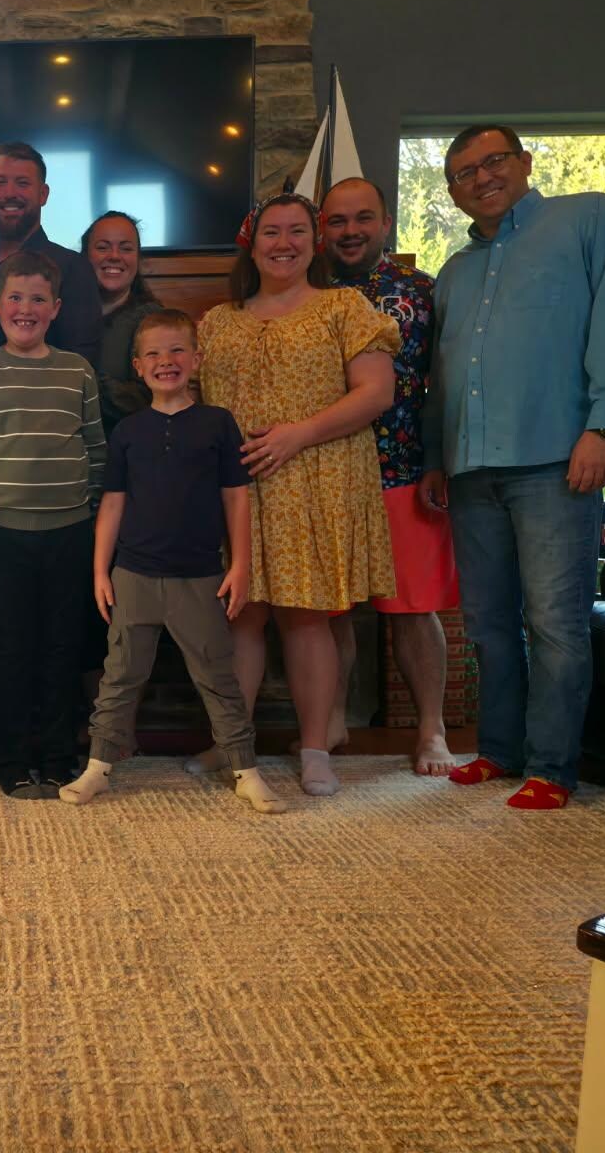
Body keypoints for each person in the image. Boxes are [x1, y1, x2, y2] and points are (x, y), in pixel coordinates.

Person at [422, 124, 605, 810]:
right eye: (463, 173)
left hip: (556, 460)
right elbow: (441, 376)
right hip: (469, 470)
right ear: (454, 192)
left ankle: (552, 767)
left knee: (554, 621)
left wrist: (603, 427)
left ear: (523, 161)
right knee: (487, 623)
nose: (481, 178)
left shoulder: (589, 219)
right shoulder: (454, 273)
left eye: (493, 161)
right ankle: (500, 749)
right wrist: (435, 458)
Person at [197, 193, 398, 799]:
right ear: (251, 243)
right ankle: (233, 744)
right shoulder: (217, 321)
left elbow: (376, 393)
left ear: (314, 243)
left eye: (296, 232)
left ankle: (315, 750)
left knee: (306, 618)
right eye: (271, 232)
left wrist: (297, 434)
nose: (283, 243)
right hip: (238, 489)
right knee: (240, 616)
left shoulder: (344, 308)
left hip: (315, 480)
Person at [60, 310, 283, 814]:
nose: (167, 361)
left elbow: (236, 497)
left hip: (199, 576)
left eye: (177, 350)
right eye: (154, 354)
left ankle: (245, 770)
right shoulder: (128, 432)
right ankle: (98, 767)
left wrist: (241, 565)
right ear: (139, 367)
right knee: (119, 677)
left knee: (218, 677)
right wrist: (99, 571)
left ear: (197, 360)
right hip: (133, 575)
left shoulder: (217, 423)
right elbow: (112, 504)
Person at [0, 251, 105, 798]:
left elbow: (96, 450)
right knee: (9, 651)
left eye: (38, 299)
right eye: (15, 297)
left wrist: (93, 519)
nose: (26, 308)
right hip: (0, 534)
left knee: (63, 649)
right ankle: (12, 760)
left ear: (55, 308)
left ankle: (59, 757)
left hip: (70, 532)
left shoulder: (76, 371)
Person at [319, 176, 459, 776]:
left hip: (403, 470)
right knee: (327, 610)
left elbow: (445, 383)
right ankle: (331, 722)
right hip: (324, 474)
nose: (350, 231)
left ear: (385, 223)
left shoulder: (422, 292)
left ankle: (432, 729)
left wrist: (437, 460)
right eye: (337, 220)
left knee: (412, 609)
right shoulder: (308, 291)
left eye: (362, 218)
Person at [0, 142, 102, 367]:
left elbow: (81, 363)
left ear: (43, 194)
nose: (9, 193)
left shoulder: (72, 268)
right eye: (0, 182)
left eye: (22, 183)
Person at [83, 210, 162, 431]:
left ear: (137, 258)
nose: (114, 256)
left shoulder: (154, 321)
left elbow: (150, 397)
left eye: (126, 248)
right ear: (85, 255)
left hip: (128, 445)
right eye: (103, 247)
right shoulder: (59, 313)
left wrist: (78, 380)